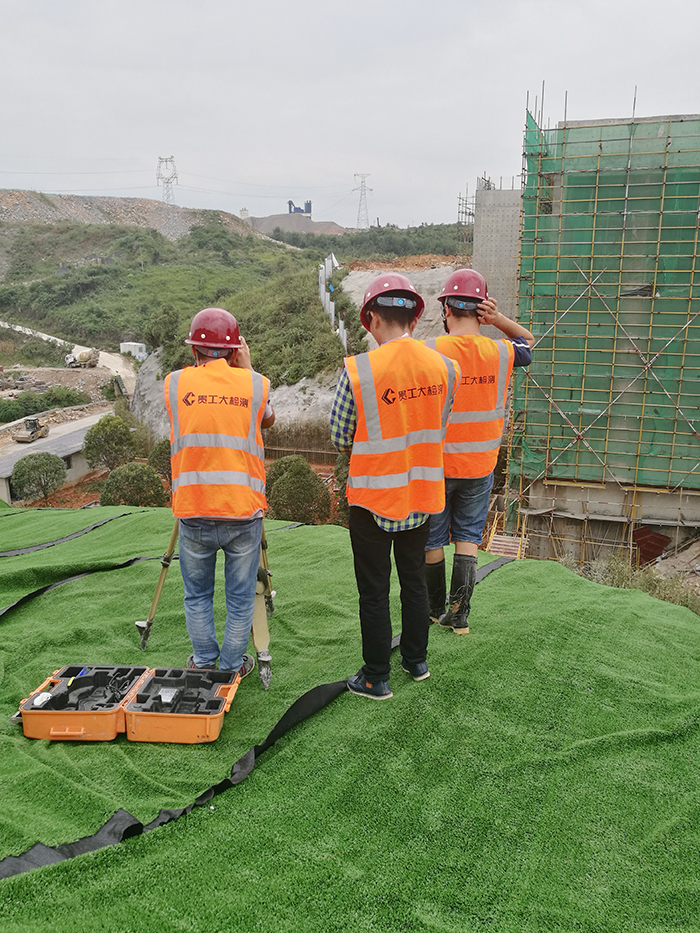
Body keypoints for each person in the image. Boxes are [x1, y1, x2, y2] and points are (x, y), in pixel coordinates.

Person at [330, 273, 460, 700]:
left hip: (372, 498)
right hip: (422, 494)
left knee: (374, 590)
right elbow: (436, 425)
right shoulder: (446, 368)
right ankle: (416, 660)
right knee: (415, 582)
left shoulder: (359, 370)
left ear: (369, 319)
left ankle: (375, 677)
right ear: (415, 318)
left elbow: (340, 435)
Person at [164, 307, 275, 676]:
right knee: (241, 598)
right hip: (242, 512)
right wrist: (247, 367)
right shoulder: (255, 383)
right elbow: (268, 418)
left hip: (193, 510)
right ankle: (230, 667)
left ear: (194, 351)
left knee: (197, 596)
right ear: (234, 350)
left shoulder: (175, 384)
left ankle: (204, 662)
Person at [423, 269, 534, 634]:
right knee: (468, 538)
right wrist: (499, 320)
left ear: (446, 310)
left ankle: (432, 609)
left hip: (437, 466)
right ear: (481, 311)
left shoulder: (431, 351)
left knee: (434, 538)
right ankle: (460, 617)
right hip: (480, 465)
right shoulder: (501, 352)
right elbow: (528, 341)